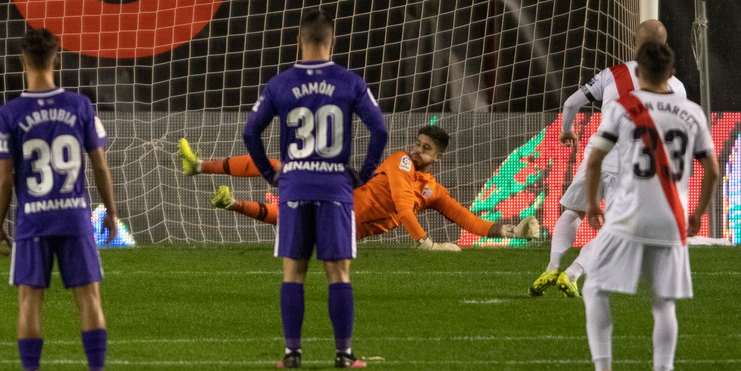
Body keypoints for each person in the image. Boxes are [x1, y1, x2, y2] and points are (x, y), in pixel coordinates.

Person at [574, 41, 718, 371]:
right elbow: (713, 170)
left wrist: (592, 204)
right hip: (672, 220)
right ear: (671, 74)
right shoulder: (693, 112)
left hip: (628, 216)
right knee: (663, 303)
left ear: (638, 73)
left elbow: (594, 159)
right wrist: (698, 212)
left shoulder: (625, 107)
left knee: (594, 290)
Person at [243, 9, 387, 370]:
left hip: (294, 185)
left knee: (294, 271)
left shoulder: (280, 83)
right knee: (338, 272)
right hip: (334, 186)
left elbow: (250, 132)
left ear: (300, 41)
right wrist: (365, 173)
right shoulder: (350, 82)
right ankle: (344, 355)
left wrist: (269, 173)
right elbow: (380, 129)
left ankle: (292, 354)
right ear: (332, 40)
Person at [0, 28, 119, 371]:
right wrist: (111, 212)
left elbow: (4, 177)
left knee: (30, 301)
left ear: (23, 61)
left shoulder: (9, 113)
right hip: (74, 217)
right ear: (57, 58)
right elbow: (99, 163)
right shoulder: (81, 106)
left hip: (32, 220)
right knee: (90, 297)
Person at [533, 19, 688, 298]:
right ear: (665, 48)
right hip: (633, 165)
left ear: (633, 43)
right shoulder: (676, 86)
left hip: (598, 152)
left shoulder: (611, 74)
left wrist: (567, 130)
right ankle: (573, 273)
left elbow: (570, 103)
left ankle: (553, 265)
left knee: (572, 211)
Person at [186, 126, 541, 247]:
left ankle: (231, 203)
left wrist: (513, 230)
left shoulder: (434, 191)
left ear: (438, 159)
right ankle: (200, 165)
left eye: (426, 149)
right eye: (418, 143)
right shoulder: (400, 160)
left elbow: (469, 221)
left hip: (349, 228)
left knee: (295, 220)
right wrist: (427, 244)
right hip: (342, 195)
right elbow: (403, 208)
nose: (418, 150)